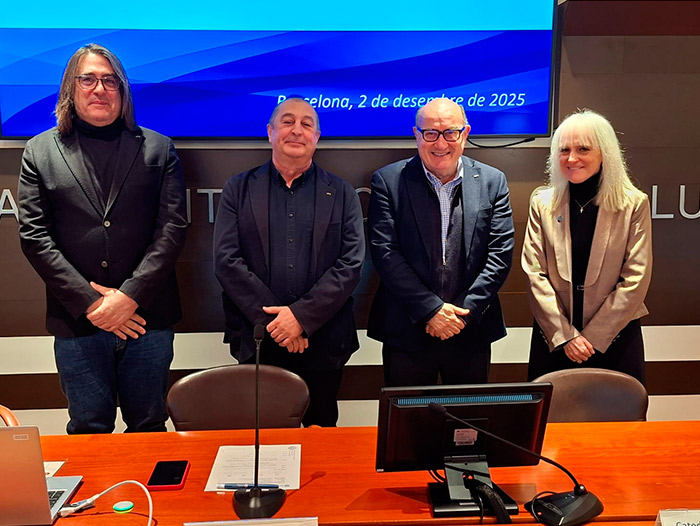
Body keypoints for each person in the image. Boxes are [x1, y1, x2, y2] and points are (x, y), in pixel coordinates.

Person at [18, 44, 188, 434]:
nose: (100, 88)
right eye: (89, 79)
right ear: (70, 88)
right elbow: (35, 237)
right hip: (78, 322)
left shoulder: (158, 148)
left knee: (149, 427)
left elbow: (172, 229)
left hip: (147, 318)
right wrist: (93, 304)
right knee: (88, 428)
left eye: (110, 80)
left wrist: (129, 297)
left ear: (123, 91)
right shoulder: (40, 152)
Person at [213, 97, 364, 427]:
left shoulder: (342, 193)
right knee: (262, 437)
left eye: (307, 124)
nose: (297, 130)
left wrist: (301, 317)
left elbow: (350, 264)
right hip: (258, 339)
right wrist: (279, 324)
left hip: (323, 341)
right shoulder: (238, 189)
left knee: (321, 437)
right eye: (287, 121)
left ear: (317, 137)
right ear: (270, 132)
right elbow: (227, 260)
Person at [367, 98, 515, 387]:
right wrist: (431, 310)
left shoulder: (493, 181)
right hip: (407, 328)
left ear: (465, 134)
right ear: (416, 134)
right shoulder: (387, 181)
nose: (440, 143)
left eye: (450, 132)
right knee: (406, 414)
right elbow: (386, 254)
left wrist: (462, 313)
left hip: (469, 329)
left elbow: (499, 255)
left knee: (467, 415)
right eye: (430, 133)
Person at [521, 109, 652, 383]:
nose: (572, 158)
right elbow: (534, 274)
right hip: (556, 339)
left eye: (583, 149)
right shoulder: (542, 203)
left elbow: (635, 279)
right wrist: (566, 337)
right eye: (564, 150)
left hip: (615, 338)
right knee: (552, 411)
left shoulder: (633, 204)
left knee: (617, 411)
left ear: (605, 153)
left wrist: (592, 338)